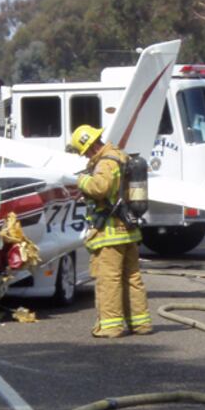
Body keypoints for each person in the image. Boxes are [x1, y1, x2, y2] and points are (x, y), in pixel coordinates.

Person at [68, 124, 152, 338]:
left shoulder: (105, 162)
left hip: (110, 233)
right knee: (132, 277)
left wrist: (80, 180)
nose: (84, 155)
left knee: (109, 279)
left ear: (89, 146)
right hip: (129, 231)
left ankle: (111, 326)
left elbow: (100, 188)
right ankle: (140, 323)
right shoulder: (121, 157)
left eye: (83, 151)